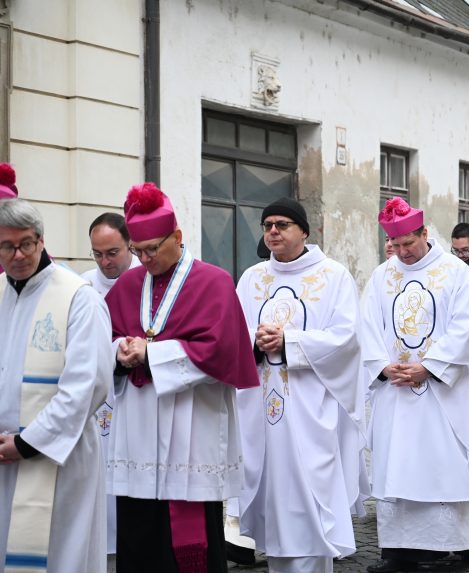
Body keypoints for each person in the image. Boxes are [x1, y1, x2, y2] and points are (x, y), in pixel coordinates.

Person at [104, 183, 259, 573]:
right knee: (138, 534)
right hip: (138, 431)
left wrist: (151, 353)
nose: (145, 258)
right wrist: (120, 354)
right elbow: (98, 343)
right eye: (137, 251)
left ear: (178, 236)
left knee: (190, 544)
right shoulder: (127, 285)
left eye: (153, 248)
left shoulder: (214, 282)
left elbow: (222, 350)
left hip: (193, 426)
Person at [361, 198, 469, 573]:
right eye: (395, 246)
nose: (402, 252)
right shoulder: (382, 276)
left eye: (409, 243)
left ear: (425, 234)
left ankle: (453, 541)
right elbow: (366, 327)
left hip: (444, 390)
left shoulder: (454, 273)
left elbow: (467, 327)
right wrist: (381, 366)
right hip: (395, 390)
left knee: (443, 462)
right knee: (398, 465)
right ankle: (397, 549)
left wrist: (430, 367)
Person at [233, 197, 366, 573]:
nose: (273, 231)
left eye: (282, 224)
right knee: (271, 488)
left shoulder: (333, 275)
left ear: (304, 231)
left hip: (311, 406)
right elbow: (236, 333)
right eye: (267, 225)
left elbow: (347, 338)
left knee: (311, 485)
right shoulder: (252, 278)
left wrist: (290, 341)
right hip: (261, 403)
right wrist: (255, 342)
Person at [0, 198, 112, 572]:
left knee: (61, 556)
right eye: (6, 245)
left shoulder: (78, 298)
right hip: (4, 459)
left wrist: (28, 442)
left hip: (58, 458)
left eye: (26, 243)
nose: (17, 255)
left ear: (42, 240)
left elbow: (88, 385)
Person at [80, 212, 141, 558]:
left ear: (129, 245)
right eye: (97, 254)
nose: (105, 262)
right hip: (96, 400)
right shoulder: (83, 286)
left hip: (133, 394)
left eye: (112, 253)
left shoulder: (147, 281)